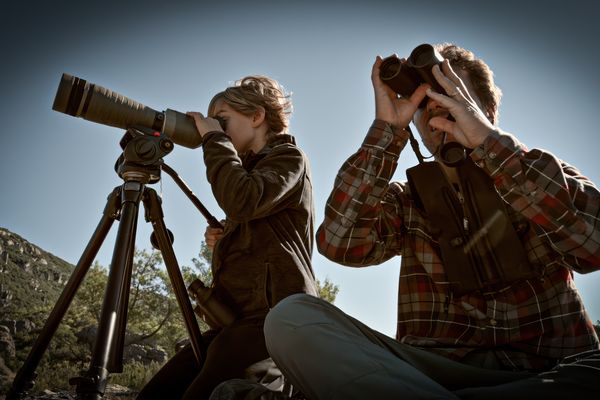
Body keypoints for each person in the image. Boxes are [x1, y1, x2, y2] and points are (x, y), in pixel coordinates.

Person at [264, 44, 600, 398]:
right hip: (432, 373)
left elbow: (594, 245)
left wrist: (488, 142)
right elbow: (339, 242)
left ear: (485, 109)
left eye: (452, 94)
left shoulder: (535, 175)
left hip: (547, 372)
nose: (437, 109)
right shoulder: (405, 201)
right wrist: (386, 132)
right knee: (290, 319)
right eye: (425, 100)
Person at [137, 76, 318, 400]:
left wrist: (214, 139)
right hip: (236, 323)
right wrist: (226, 238)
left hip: (276, 320)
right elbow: (253, 218)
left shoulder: (289, 158)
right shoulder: (253, 170)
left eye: (223, 120)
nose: (216, 128)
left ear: (257, 116)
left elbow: (242, 199)